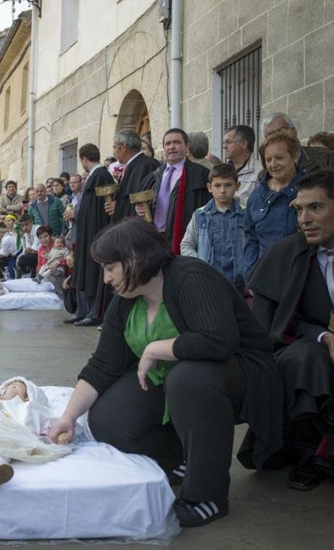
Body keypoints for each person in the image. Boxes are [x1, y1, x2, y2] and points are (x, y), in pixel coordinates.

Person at [47, 217, 282, 527]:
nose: (105, 278)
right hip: (175, 379)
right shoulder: (126, 302)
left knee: (188, 378)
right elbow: (103, 364)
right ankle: (180, 459)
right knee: (108, 419)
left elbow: (218, 340)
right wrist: (68, 417)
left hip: (237, 376)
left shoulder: (191, 277)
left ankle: (206, 496)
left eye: (110, 268)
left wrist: (155, 349)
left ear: (134, 259)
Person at [248, 170, 334, 491]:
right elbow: (278, 323)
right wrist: (325, 338)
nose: (304, 220)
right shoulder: (285, 253)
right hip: (304, 353)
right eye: (299, 210)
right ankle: (312, 455)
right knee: (307, 357)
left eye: (316, 208)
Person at [135, 128, 211, 254]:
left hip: (184, 240)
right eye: (168, 144)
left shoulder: (201, 175)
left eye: (177, 142)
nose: (171, 147)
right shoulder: (153, 177)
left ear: (187, 147)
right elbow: (141, 203)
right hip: (155, 240)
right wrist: (140, 209)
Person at [243, 131, 305, 277]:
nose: (273, 164)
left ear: (294, 155)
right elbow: (251, 238)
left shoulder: (310, 188)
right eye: (268, 160)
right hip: (265, 276)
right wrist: (250, 274)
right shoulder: (257, 196)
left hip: (301, 274)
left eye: (279, 158)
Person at [66, 144, 114, 326]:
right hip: (85, 232)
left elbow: (97, 209)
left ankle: (93, 312)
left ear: (84, 158)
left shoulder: (101, 175)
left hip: (94, 233)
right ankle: (83, 310)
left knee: (91, 273)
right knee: (82, 271)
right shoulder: (96, 176)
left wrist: (76, 213)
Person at [180, 163, 246, 293]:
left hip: (238, 282)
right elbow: (186, 245)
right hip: (207, 280)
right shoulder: (200, 215)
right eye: (217, 185)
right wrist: (200, 264)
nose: (223, 190)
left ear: (237, 186)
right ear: (209, 187)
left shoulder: (245, 214)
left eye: (228, 185)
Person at [110, 129, 159, 222]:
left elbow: (148, 201)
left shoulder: (148, 165)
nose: (114, 152)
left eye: (115, 147)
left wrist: (118, 207)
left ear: (123, 147)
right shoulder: (131, 166)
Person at [261, 112, 334, 173]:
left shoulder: (325, 156)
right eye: (271, 134)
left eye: (282, 130)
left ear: (294, 131)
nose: (278, 136)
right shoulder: (266, 174)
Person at [222, 125, 259, 206]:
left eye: (228, 142)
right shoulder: (221, 171)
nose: (224, 146)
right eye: (224, 143)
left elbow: (262, 204)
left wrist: (239, 201)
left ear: (243, 144)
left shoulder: (260, 171)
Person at [14, 213, 40, 278]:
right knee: (19, 259)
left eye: (26, 224)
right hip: (33, 255)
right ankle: (22, 279)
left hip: (42, 254)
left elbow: (34, 248)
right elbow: (25, 250)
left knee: (22, 259)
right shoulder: (25, 234)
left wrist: (23, 255)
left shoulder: (37, 229)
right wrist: (18, 257)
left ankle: (26, 279)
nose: (24, 228)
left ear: (32, 222)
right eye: (22, 225)